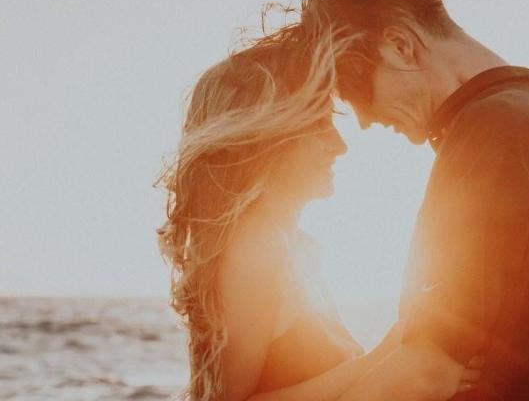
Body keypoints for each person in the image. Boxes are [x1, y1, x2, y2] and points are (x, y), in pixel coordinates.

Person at [300, 0, 529, 401]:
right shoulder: (524, 114)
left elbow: (427, 372)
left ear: (400, 45)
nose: (363, 119)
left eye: (355, 87)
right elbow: (421, 344)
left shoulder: (494, 127)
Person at [156, 21, 481, 401]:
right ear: (266, 138)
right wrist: (394, 356)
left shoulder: (299, 250)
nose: (339, 144)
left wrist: (408, 352)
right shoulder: (255, 247)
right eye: (318, 125)